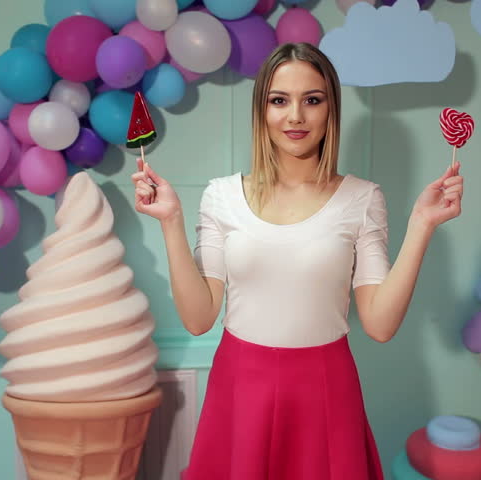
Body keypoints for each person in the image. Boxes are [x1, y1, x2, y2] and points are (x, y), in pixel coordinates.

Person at [131, 42, 463, 480]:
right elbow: (198, 318)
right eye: (279, 100)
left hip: (325, 390)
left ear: (330, 109)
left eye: (312, 100)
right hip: (239, 387)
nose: (295, 117)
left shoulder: (363, 198)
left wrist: (421, 224)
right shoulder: (221, 196)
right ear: (261, 110)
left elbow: (380, 324)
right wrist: (170, 220)